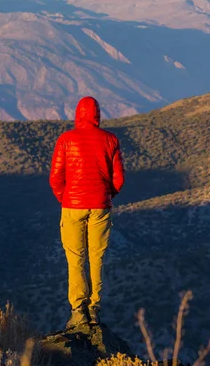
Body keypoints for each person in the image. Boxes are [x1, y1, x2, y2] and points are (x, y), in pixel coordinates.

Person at [49, 96, 125, 329]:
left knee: (75, 258)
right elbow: (119, 179)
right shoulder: (111, 140)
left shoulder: (66, 139)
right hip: (100, 207)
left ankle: (78, 311)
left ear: (77, 114)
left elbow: (55, 177)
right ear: (97, 115)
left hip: (72, 206)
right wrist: (105, 195)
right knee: (97, 258)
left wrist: (66, 198)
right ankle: (94, 308)